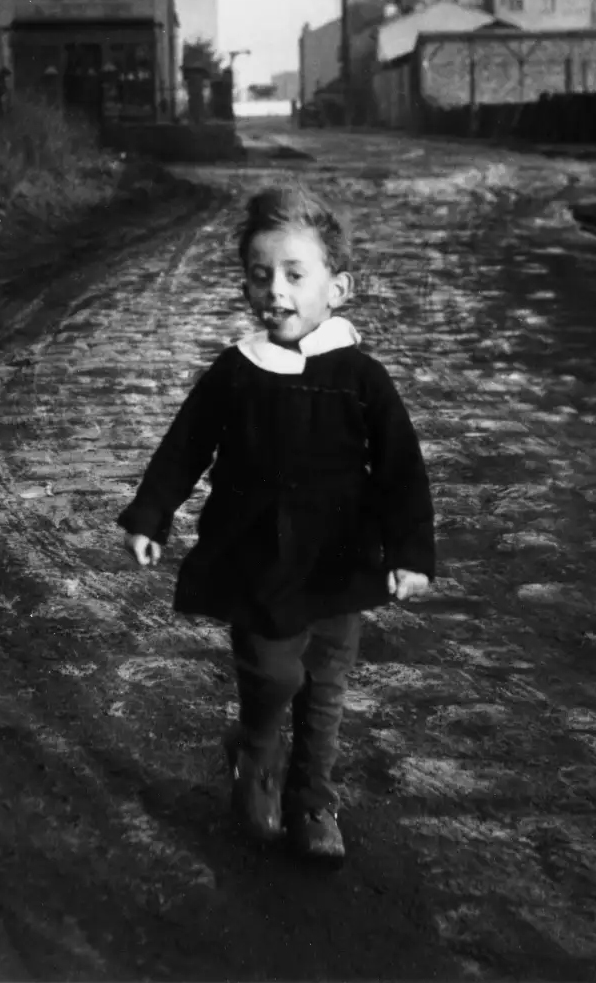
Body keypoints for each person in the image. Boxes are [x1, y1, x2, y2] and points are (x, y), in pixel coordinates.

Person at [117, 185, 435, 861]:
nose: (275, 290)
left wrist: (409, 552)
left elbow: (402, 471)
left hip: (340, 560)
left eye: (295, 274)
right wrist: (151, 514)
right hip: (255, 557)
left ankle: (313, 800)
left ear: (338, 288)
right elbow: (185, 445)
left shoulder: (361, 379)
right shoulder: (238, 372)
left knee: (325, 688)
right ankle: (256, 751)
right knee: (275, 676)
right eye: (260, 275)